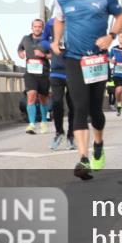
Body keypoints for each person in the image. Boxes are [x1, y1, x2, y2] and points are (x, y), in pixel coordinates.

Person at [51, 0, 122, 181]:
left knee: (96, 111)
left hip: (98, 59)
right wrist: (56, 40)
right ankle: (83, 158)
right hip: (74, 59)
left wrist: (111, 36)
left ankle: (99, 144)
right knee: (79, 106)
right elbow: (59, 20)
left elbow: (120, 16)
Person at [41, 17, 74, 150]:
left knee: (73, 106)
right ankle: (59, 132)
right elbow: (43, 40)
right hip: (56, 71)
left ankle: (71, 136)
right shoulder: (51, 23)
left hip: (74, 71)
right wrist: (51, 45)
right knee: (56, 103)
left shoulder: (77, 20)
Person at [17, 18, 51, 134]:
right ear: (32, 28)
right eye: (35, 26)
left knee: (43, 99)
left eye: (39, 27)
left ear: (43, 28)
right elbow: (20, 48)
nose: (37, 28)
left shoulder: (47, 40)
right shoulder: (26, 39)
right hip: (30, 73)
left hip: (44, 73)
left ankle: (44, 121)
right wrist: (20, 53)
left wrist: (44, 55)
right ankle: (31, 124)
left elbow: (55, 54)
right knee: (31, 95)